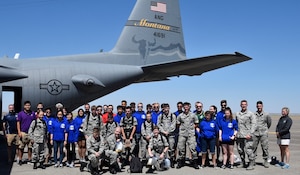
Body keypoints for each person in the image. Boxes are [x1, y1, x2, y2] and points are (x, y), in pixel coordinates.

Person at [176, 102, 199, 169]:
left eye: (187, 106)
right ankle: (181, 162)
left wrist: (191, 128)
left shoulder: (193, 115)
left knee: (193, 148)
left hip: (191, 134)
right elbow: (178, 124)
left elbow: (196, 123)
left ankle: (195, 162)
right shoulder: (180, 115)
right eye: (185, 107)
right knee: (181, 148)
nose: (186, 108)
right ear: (183, 107)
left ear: (189, 107)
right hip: (182, 134)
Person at [235, 100, 257, 170]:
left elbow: (254, 124)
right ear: (240, 105)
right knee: (240, 150)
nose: (243, 105)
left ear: (247, 105)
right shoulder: (237, 114)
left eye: (245, 104)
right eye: (242, 104)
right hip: (240, 135)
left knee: (249, 150)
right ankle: (242, 162)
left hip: (247, 135)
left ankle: (251, 163)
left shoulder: (250, 114)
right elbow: (236, 124)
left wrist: (250, 134)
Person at [157, 103, 177, 168]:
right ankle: (163, 161)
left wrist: (168, 131)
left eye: (166, 108)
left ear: (169, 108)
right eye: (164, 108)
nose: (165, 109)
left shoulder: (172, 116)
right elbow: (158, 125)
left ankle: (172, 160)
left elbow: (173, 125)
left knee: (171, 148)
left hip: (171, 134)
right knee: (163, 148)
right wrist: (163, 131)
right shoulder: (160, 116)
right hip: (163, 134)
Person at [253, 101, 272, 168]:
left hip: (263, 134)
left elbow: (269, 123)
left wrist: (265, 130)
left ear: (262, 106)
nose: (259, 107)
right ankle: (253, 161)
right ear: (256, 106)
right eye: (258, 106)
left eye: (260, 106)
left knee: (265, 148)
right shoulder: (254, 114)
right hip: (255, 133)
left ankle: (266, 160)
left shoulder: (266, 114)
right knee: (254, 148)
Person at [17, 100, 36, 165]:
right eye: (26, 105)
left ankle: (29, 159)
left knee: (30, 147)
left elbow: (34, 122)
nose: (28, 106)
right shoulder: (20, 113)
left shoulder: (32, 113)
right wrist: (19, 132)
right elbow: (18, 123)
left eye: (29, 105)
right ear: (24, 106)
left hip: (31, 133)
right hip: (23, 132)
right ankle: (20, 159)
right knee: (21, 147)